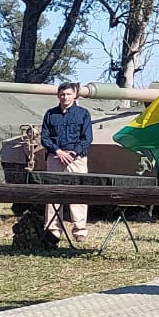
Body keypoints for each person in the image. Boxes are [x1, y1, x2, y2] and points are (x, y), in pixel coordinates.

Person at [39, 82, 93, 243]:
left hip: (76, 159)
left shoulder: (83, 114)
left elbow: (87, 138)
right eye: (62, 94)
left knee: (78, 193)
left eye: (68, 94)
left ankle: (80, 230)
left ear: (75, 95)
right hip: (56, 157)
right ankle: (53, 230)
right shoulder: (50, 114)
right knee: (53, 194)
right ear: (58, 95)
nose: (65, 97)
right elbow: (45, 137)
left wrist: (73, 152)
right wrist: (58, 151)